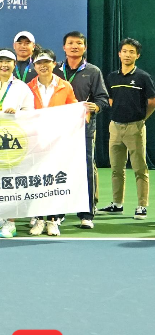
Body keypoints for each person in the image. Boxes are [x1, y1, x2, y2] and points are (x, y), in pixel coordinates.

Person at [0, 50, 35, 239]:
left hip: (12, 140)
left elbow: (30, 113)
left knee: (11, 182)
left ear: (14, 64)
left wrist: (16, 113)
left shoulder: (22, 88)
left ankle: (11, 222)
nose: (4, 65)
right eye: (0, 61)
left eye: (8, 61)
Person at [59, 32, 108, 229]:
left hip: (84, 128)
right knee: (58, 167)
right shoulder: (56, 70)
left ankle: (86, 214)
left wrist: (97, 107)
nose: (74, 46)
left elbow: (102, 98)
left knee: (85, 168)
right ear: (64, 47)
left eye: (79, 43)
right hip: (58, 129)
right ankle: (57, 212)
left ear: (84, 48)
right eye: (70, 43)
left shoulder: (93, 71)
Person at [27, 49, 78, 236]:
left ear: (54, 64)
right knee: (38, 181)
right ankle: (39, 220)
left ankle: (53, 221)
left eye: (46, 62)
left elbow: (73, 109)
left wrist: (84, 111)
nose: (43, 66)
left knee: (55, 181)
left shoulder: (65, 86)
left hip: (58, 142)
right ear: (34, 66)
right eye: (39, 63)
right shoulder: (28, 87)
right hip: (36, 142)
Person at [104, 38, 155, 220]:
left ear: (137, 56)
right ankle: (117, 204)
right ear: (119, 54)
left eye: (131, 52)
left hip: (135, 127)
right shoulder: (112, 77)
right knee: (116, 168)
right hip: (115, 127)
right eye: (124, 51)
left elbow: (152, 101)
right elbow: (110, 99)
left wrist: (141, 119)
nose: (127, 55)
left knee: (140, 168)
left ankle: (142, 206)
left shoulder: (143, 77)